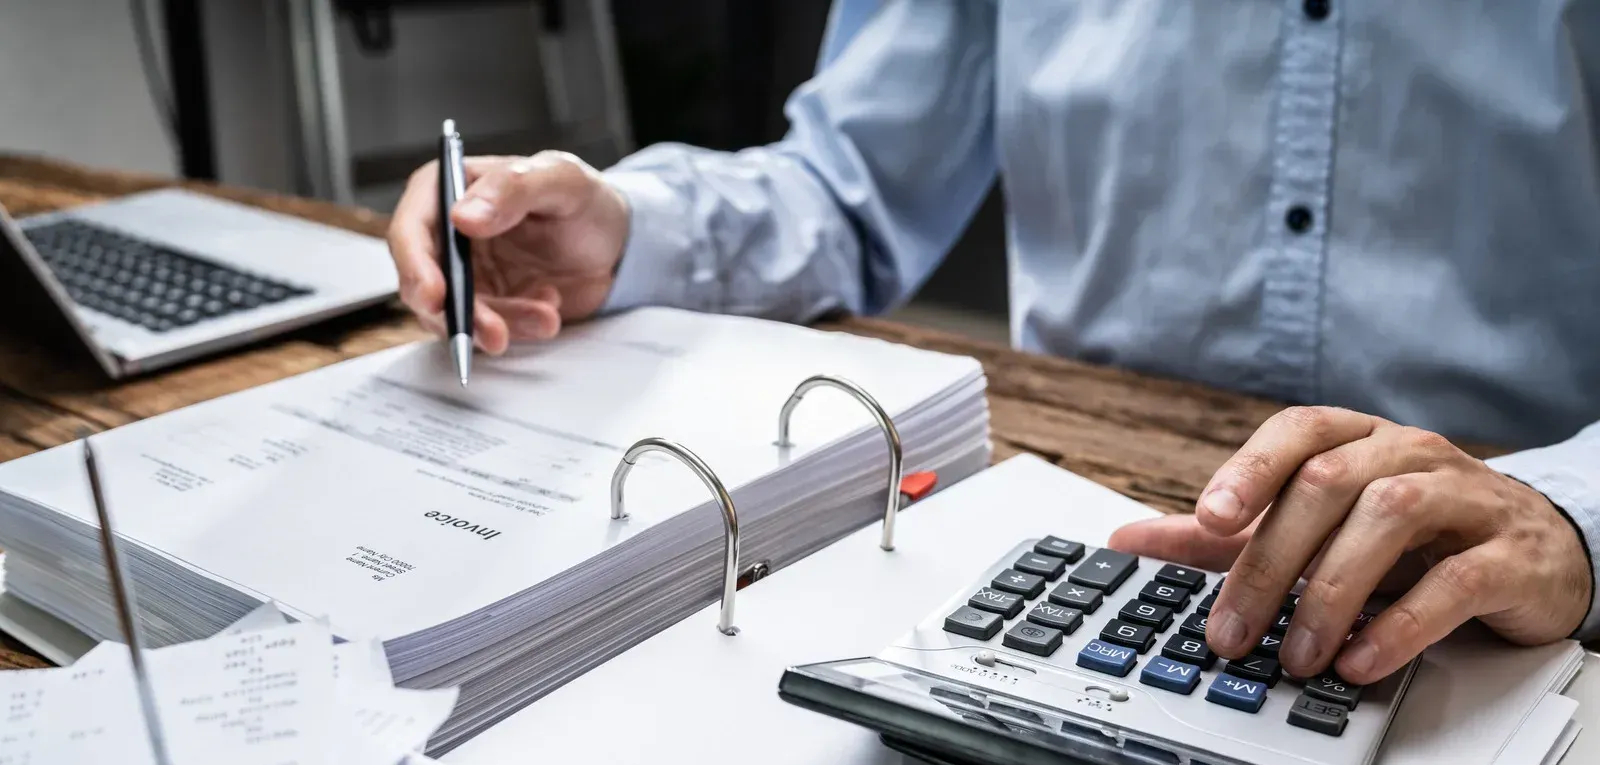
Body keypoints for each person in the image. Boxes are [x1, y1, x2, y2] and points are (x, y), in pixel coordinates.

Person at [387, 0, 1599, 688]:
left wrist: (1570, 517)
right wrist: (629, 232)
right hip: (1085, 517)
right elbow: (848, 185)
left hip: (1494, 598)